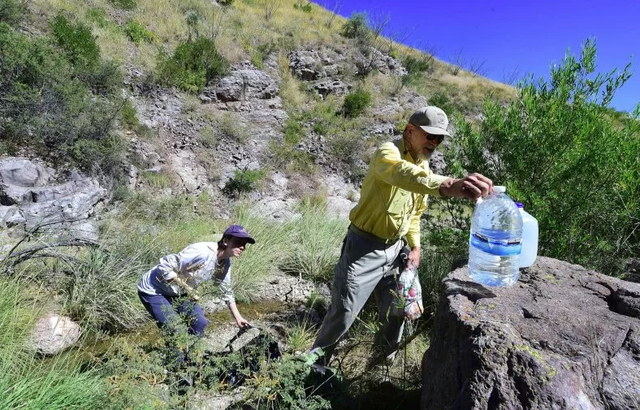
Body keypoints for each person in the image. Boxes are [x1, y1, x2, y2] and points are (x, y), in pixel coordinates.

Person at [311, 106, 493, 365]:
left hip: (396, 250)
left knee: (396, 311)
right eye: (431, 136)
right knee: (344, 313)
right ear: (410, 130)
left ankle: (382, 366)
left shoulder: (424, 164)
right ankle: (313, 367)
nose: (435, 143)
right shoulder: (388, 152)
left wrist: (415, 247)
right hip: (363, 248)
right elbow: (402, 175)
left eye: (440, 138)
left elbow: (414, 214)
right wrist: (449, 185)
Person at [137, 224, 255, 337]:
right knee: (175, 329)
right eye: (238, 242)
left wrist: (238, 318)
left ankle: (191, 354)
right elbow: (164, 266)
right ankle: (175, 355)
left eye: (244, 244)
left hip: (179, 292)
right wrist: (188, 288)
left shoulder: (225, 262)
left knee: (199, 323)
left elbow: (226, 290)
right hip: (154, 289)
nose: (242, 247)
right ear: (225, 241)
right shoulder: (202, 252)